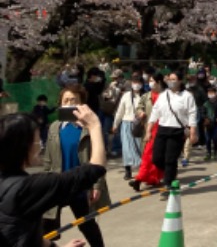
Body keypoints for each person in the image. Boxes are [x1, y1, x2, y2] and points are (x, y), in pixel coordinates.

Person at [0, 105, 106, 247]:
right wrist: (94, 126)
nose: (40, 146)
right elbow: (95, 169)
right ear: (24, 146)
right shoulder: (29, 188)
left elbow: (20, 231)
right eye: (37, 141)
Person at [41, 85, 110, 247]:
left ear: (82, 104)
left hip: (80, 186)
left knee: (87, 224)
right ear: (60, 103)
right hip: (58, 183)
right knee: (48, 224)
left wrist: (97, 185)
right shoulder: (54, 127)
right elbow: (48, 159)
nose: (69, 104)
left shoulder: (89, 128)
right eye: (66, 100)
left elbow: (98, 157)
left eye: (74, 100)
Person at [145, 71, 197, 196]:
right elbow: (154, 113)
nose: (171, 81)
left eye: (174, 79)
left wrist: (193, 132)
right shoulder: (163, 95)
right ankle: (171, 173)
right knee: (156, 158)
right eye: (169, 79)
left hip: (177, 130)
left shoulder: (187, 96)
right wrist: (148, 131)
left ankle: (168, 183)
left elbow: (192, 114)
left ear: (180, 81)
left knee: (170, 159)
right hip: (162, 129)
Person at [129, 74, 163, 192]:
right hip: (149, 128)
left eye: (153, 80)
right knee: (148, 154)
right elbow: (138, 108)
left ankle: (150, 178)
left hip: (163, 128)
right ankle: (144, 178)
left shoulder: (166, 95)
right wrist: (141, 112)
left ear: (159, 82)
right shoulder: (146, 96)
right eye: (149, 81)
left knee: (156, 155)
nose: (150, 83)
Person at [111, 73, 145, 180]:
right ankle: (128, 170)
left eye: (138, 82)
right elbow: (120, 112)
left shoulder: (145, 96)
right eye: (134, 82)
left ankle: (143, 169)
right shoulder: (126, 96)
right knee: (127, 148)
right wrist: (115, 124)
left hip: (141, 125)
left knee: (141, 148)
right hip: (127, 124)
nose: (136, 85)